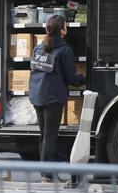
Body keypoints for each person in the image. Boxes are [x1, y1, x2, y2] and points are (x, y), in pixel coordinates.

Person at [28, 15, 85, 183]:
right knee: (50, 136)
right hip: (52, 98)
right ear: (62, 31)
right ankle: (48, 173)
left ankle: (45, 172)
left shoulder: (38, 48)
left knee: (44, 134)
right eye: (65, 27)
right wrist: (83, 79)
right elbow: (71, 78)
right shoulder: (65, 50)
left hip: (37, 96)